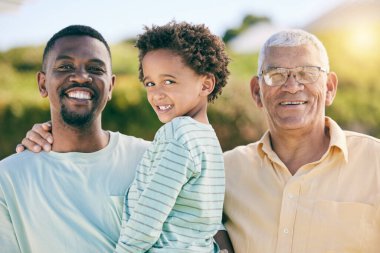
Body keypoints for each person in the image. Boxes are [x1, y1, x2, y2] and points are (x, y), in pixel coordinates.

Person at [220, 29, 380, 252]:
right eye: (276, 74)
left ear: (329, 88)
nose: (292, 86)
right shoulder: (225, 172)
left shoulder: (375, 163)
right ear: (257, 92)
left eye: (307, 73)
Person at [0, 25, 150, 253]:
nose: (81, 76)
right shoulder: (7, 179)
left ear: (110, 86)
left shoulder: (152, 160)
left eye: (95, 68)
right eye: (65, 66)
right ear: (42, 84)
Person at [114, 21, 228, 252]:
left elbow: (148, 218)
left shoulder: (178, 134)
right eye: (150, 83)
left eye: (169, 81)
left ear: (206, 84)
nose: (157, 93)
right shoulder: (208, 139)